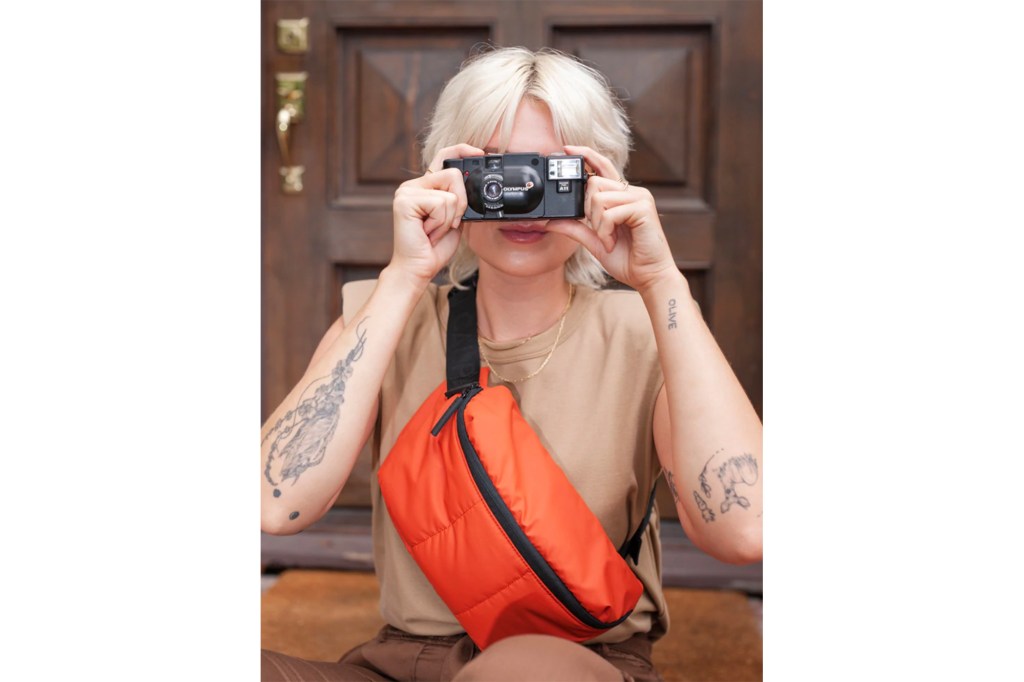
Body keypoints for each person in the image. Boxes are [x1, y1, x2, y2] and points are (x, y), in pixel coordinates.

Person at [260, 46, 762, 682]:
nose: (523, 195)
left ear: (604, 183)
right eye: (496, 170)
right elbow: (276, 506)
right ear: (444, 177)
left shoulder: (646, 332)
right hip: (401, 663)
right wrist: (403, 275)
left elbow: (746, 532)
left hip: (574, 664)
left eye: (553, 172)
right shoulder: (384, 316)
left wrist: (661, 281)